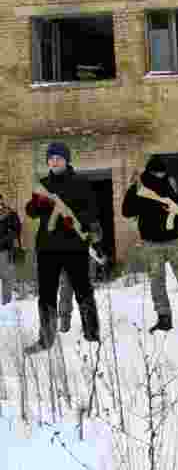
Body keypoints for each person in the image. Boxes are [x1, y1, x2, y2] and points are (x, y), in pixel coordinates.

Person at [23, 142, 102, 353]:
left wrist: (76, 221)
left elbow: (92, 211)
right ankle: (46, 339)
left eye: (58, 157)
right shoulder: (43, 184)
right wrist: (37, 205)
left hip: (74, 246)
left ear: (67, 160)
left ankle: (92, 335)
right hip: (47, 248)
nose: (54, 161)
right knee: (46, 294)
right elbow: (30, 212)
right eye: (51, 158)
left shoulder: (81, 183)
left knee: (83, 290)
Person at [122, 156, 178, 333]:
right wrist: (134, 192)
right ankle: (163, 317)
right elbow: (127, 211)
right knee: (157, 282)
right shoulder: (140, 187)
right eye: (156, 173)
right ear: (149, 172)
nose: (159, 176)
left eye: (162, 172)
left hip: (175, 239)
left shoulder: (171, 182)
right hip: (151, 242)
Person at [0, 193, 22, 304]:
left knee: (7, 278)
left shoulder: (11, 214)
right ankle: (6, 305)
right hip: (6, 250)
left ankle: (6, 305)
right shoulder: (11, 214)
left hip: (6, 251)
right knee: (7, 278)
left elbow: (17, 231)